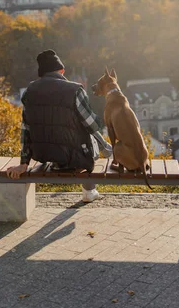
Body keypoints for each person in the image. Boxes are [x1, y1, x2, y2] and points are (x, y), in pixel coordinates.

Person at [6, 49, 112, 202]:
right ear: (62, 70)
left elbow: (26, 129)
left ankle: (106, 151)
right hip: (75, 157)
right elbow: (93, 125)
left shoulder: (30, 91)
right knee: (87, 129)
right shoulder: (74, 89)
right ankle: (90, 189)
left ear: (41, 74)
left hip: (45, 154)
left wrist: (23, 163)